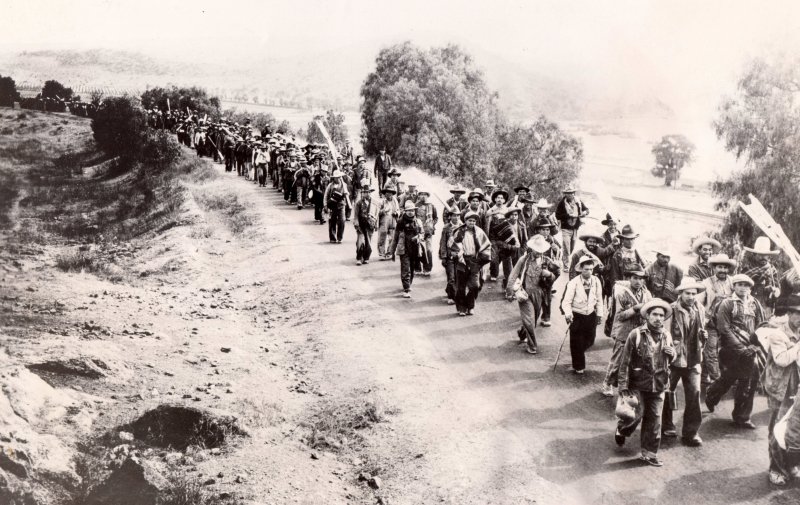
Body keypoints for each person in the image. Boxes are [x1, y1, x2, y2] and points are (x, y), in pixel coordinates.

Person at [615, 299, 675, 467]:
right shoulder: (636, 334)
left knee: (655, 419)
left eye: (661, 315)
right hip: (638, 382)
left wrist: (672, 353)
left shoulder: (666, 334)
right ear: (647, 316)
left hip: (659, 383)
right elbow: (625, 362)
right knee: (637, 414)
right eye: (654, 314)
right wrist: (623, 387)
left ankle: (649, 453)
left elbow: (670, 358)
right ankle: (622, 428)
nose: (658, 318)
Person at [705, 274, 766, 429]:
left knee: (750, 380)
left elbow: (761, 324)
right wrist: (740, 348)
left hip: (750, 349)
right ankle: (712, 394)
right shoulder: (727, 303)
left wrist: (756, 344)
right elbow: (724, 329)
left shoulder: (755, 303)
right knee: (729, 378)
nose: (743, 288)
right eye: (739, 284)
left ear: (750, 288)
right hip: (730, 349)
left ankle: (742, 417)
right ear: (734, 286)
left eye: (746, 285)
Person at [757, 295, 800, 486]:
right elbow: (782, 359)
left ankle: (791, 464)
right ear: (789, 314)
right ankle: (776, 468)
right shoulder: (777, 334)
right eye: (798, 314)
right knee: (777, 429)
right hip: (780, 388)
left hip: (797, 387)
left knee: (794, 430)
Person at [661, 279, 708, 447]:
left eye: (694, 294)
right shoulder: (671, 309)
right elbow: (664, 333)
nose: (691, 297)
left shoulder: (700, 309)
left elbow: (701, 329)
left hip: (693, 359)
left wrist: (703, 337)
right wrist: (668, 353)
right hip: (674, 358)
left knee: (695, 394)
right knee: (667, 391)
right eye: (687, 293)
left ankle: (691, 432)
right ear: (680, 293)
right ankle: (666, 424)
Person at [601, 264, 652, 396]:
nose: (638, 281)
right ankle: (607, 383)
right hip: (624, 332)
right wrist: (635, 309)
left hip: (640, 332)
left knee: (638, 360)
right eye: (635, 278)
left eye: (641, 279)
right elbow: (619, 316)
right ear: (629, 278)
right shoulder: (622, 293)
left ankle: (630, 385)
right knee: (618, 360)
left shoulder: (647, 294)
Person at [506, 235, 560, 354]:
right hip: (525, 294)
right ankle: (532, 346)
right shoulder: (524, 260)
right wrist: (509, 291)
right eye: (536, 249)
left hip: (539, 295)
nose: (538, 252)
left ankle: (522, 332)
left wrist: (550, 275)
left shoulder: (547, 261)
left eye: (540, 250)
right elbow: (513, 275)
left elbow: (557, 273)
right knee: (530, 321)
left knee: (532, 319)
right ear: (532, 249)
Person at [698, 253, 736, 385]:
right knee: (711, 351)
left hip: (728, 324)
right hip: (711, 324)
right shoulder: (705, 284)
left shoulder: (733, 282)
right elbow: (699, 305)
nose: (723, 270)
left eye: (725, 267)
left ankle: (707, 376)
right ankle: (717, 381)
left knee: (729, 350)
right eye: (720, 267)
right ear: (714, 268)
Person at [561, 256, 604, 373]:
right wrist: (568, 314)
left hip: (590, 315)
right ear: (580, 269)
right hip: (577, 315)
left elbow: (599, 299)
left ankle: (579, 352)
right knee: (576, 342)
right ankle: (578, 366)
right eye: (586, 269)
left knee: (590, 339)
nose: (589, 272)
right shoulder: (573, 283)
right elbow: (566, 302)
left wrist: (600, 314)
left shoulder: (596, 281)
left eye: (591, 269)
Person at [452, 211, 492, 316]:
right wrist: (458, 254)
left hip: (475, 261)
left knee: (475, 285)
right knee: (461, 286)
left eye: (474, 221)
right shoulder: (459, 231)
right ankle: (461, 308)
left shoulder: (479, 232)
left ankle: (470, 306)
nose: (472, 223)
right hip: (462, 261)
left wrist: (481, 259)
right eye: (470, 220)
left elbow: (486, 245)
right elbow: (452, 244)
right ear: (465, 221)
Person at [390, 201, 428, 298]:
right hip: (404, 249)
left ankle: (409, 284)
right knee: (405, 268)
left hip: (415, 249)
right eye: (408, 211)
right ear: (405, 211)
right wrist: (392, 251)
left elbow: (423, 233)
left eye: (412, 210)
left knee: (412, 268)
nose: (410, 212)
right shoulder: (401, 221)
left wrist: (419, 236)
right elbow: (396, 237)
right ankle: (406, 289)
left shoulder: (418, 221)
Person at [742, 236, 782, 317]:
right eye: (760, 255)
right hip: (750, 303)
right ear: (754, 255)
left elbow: (777, 287)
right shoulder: (747, 269)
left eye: (765, 255)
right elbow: (741, 286)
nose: (763, 257)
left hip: (766, 305)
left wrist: (774, 291)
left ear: (769, 256)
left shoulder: (772, 270)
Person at [555, 185, 589, 271]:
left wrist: (584, 213)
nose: (570, 195)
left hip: (575, 229)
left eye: (571, 193)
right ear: (565, 194)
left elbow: (587, 210)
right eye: (568, 193)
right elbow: (557, 215)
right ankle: (566, 266)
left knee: (571, 247)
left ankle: (565, 258)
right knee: (566, 246)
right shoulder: (562, 203)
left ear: (573, 193)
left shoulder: (578, 202)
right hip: (565, 229)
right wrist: (568, 215)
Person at [485, 188, 510, 282]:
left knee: (505, 256)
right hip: (493, 237)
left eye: (501, 198)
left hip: (504, 238)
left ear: (504, 200)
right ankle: (493, 274)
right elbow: (487, 225)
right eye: (498, 198)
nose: (499, 199)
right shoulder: (490, 210)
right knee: (494, 256)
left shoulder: (507, 210)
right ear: (495, 199)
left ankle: (508, 276)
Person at [353, 181, 379, 266]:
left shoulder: (374, 203)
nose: (366, 194)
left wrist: (376, 224)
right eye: (364, 192)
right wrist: (356, 223)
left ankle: (366, 257)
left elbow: (376, 214)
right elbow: (356, 215)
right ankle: (359, 258)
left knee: (368, 242)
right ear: (362, 193)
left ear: (370, 193)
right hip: (361, 225)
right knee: (360, 241)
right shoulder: (359, 203)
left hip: (370, 225)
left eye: (368, 192)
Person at [439, 208, 461, 305]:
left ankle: (451, 290)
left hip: (460, 256)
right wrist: (443, 256)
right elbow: (443, 243)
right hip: (449, 257)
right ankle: (451, 296)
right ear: (450, 216)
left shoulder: (462, 227)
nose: (456, 217)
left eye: (457, 215)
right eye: (453, 215)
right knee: (451, 277)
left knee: (458, 276)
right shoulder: (446, 228)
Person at [415, 190, 438, 276]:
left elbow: (436, 218)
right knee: (418, 250)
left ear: (428, 196)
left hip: (428, 231)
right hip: (418, 231)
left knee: (428, 250)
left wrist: (431, 225)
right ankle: (417, 268)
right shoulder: (416, 205)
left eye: (425, 195)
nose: (423, 196)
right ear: (419, 196)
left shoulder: (431, 206)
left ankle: (428, 268)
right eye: (421, 194)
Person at [323, 169, 350, 243]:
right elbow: (326, 195)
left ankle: (339, 237)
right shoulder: (330, 185)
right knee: (332, 221)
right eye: (336, 177)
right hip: (332, 205)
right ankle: (332, 237)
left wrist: (346, 194)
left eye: (339, 177)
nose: (337, 178)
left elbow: (347, 194)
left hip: (341, 205)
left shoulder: (344, 185)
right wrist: (325, 205)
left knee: (342, 221)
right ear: (333, 178)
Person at [377, 186, 400, 259]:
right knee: (382, 236)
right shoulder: (382, 201)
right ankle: (381, 253)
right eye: (387, 193)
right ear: (385, 194)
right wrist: (383, 211)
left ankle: (389, 252)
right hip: (384, 220)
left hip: (393, 219)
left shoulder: (395, 201)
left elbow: (398, 210)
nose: (389, 194)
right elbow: (377, 212)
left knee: (392, 237)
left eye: (390, 193)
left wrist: (396, 213)